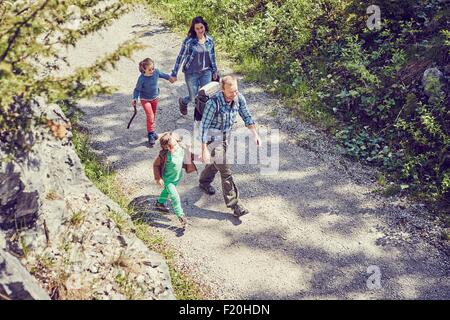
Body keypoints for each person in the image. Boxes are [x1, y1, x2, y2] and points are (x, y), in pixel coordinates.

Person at [198, 75, 261, 217]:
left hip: (226, 137)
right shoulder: (213, 103)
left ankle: (204, 181)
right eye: (230, 92)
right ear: (222, 89)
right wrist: (204, 150)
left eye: (236, 91)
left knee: (217, 164)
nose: (234, 94)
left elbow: (246, 116)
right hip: (213, 139)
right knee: (225, 170)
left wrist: (255, 134)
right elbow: (203, 127)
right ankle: (235, 205)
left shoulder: (238, 98)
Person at [170, 16, 219, 117]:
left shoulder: (210, 40)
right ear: (194, 29)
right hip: (191, 73)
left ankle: (203, 119)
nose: (200, 30)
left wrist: (215, 71)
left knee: (206, 97)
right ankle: (183, 102)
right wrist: (174, 73)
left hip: (206, 72)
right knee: (194, 97)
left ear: (204, 27)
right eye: (197, 28)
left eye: (201, 27)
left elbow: (212, 57)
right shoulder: (189, 41)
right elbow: (180, 57)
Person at [153, 132, 198, 228]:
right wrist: (158, 178)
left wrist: (201, 156)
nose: (173, 148)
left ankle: (159, 203)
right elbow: (156, 165)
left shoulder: (181, 150)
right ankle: (181, 216)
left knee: (166, 191)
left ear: (177, 142)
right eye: (169, 147)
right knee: (175, 196)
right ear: (165, 147)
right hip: (167, 180)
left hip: (177, 178)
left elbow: (190, 156)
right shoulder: (164, 155)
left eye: (174, 145)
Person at [132, 58, 175, 147]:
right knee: (150, 115)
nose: (152, 71)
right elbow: (137, 90)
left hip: (154, 98)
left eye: (153, 68)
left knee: (153, 115)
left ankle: (152, 131)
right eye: (149, 69)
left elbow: (163, 75)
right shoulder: (142, 79)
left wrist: (170, 78)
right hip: (145, 99)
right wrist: (135, 98)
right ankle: (150, 134)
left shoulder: (156, 72)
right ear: (144, 70)